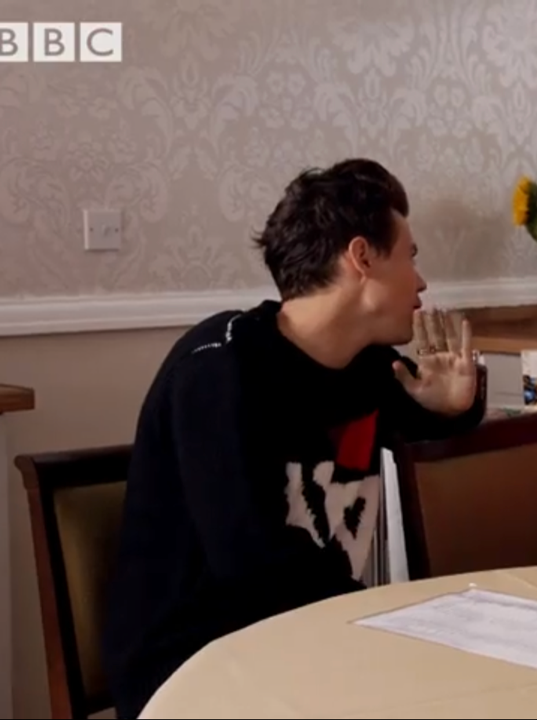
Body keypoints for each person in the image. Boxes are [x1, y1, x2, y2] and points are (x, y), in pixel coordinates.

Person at [102, 158, 487, 719]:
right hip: (193, 669)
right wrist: (389, 615)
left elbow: (422, 422)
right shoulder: (219, 370)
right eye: (410, 256)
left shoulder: (366, 367)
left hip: (307, 645)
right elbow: (250, 563)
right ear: (361, 257)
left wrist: (456, 408)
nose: (422, 282)